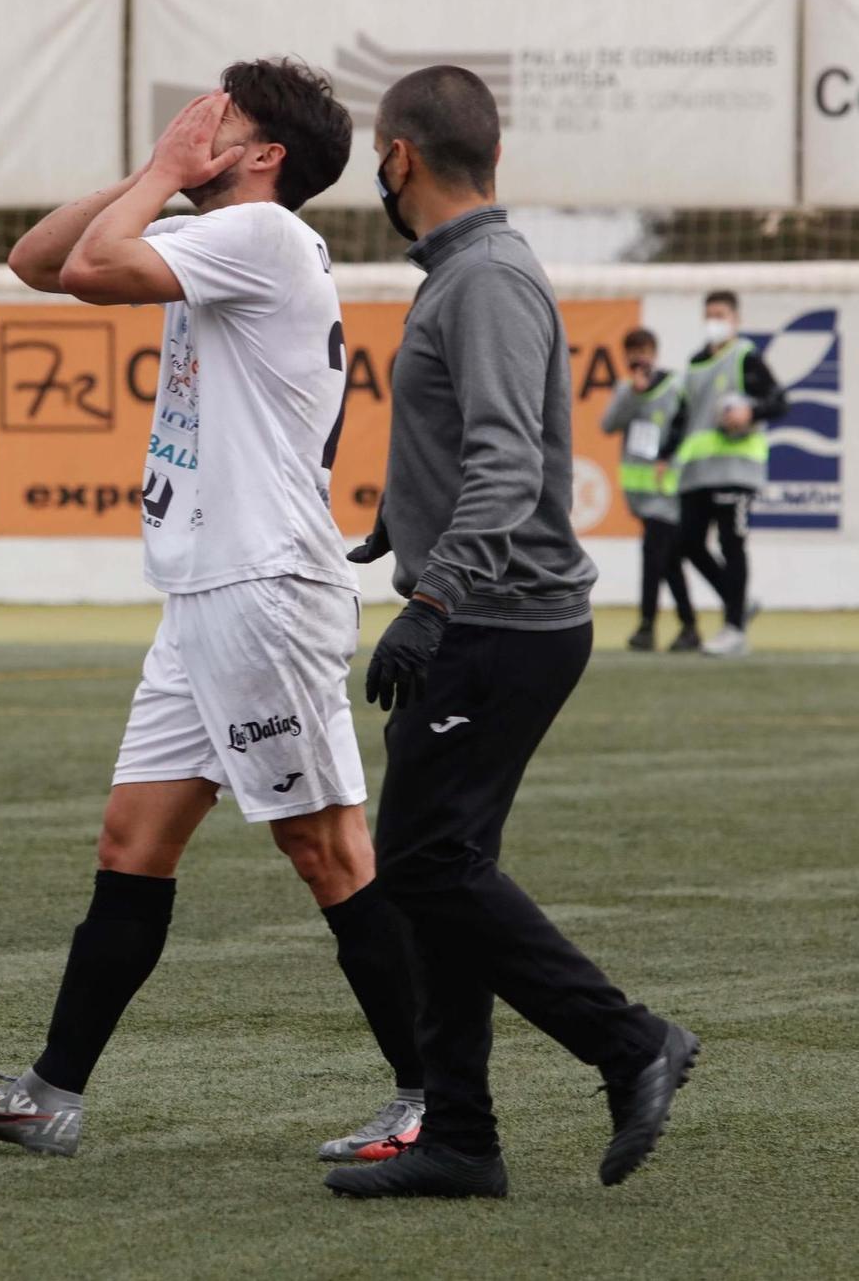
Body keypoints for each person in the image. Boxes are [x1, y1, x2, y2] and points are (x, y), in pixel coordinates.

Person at [0, 60, 426, 1165]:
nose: (195, 127)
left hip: (262, 587)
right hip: (206, 592)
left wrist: (160, 173)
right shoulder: (214, 228)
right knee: (131, 843)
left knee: (326, 848)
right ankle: (49, 1094)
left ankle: (435, 1096)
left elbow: (91, 264)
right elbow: (36, 261)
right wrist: (152, 174)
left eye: (221, 121)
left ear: (263, 157)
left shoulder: (265, 237)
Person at [324, 65, 699, 1202]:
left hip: (495, 621)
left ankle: (628, 1042)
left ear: (398, 158)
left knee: (429, 865)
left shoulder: (481, 278)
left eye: (375, 157)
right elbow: (480, 443)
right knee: (440, 870)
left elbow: (505, 460)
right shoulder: (465, 271)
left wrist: (431, 597)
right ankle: (462, 1137)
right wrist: (402, 515)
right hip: (493, 611)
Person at [658, 290, 787, 658]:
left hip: (735, 469)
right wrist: (665, 454)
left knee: (732, 544)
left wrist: (750, 412)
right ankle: (739, 604)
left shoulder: (746, 358)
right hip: (698, 472)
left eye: (721, 314)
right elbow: (684, 415)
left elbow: (779, 401)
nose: (714, 320)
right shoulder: (695, 363)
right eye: (709, 314)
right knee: (684, 545)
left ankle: (734, 629)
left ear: (735, 319)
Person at [600, 327, 699, 652]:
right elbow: (608, 425)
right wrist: (633, 394)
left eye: (643, 350)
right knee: (668, 560)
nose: (637, 357)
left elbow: (685, 426)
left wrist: (669, 456)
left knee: (654, 556)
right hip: (640, 492)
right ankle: (689, 627)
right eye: (632, 351)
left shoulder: (674, 386)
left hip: (665, 488)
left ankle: (646, 626)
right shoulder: (626, 389)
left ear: (654, 353)